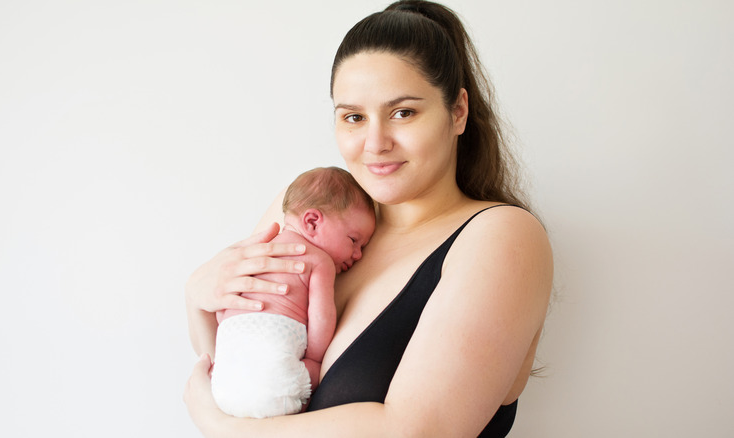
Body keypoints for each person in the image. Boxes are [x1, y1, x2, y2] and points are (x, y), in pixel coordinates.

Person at [184, 1, 553, 436]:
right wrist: (196, 296)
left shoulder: (501, 237)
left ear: (458, 111)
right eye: (354, 117)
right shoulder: (306, 210)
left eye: (403, 112)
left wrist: (219, 427)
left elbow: (417, 431)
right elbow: (238, 361)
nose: (375, 143)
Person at [210, 166, 375, 418]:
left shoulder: (260, 249)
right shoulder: (318, 261)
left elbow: (226, 300)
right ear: (311, 222)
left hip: (223, 382)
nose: (358, 254)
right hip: (277, 376)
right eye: (353, 240)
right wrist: (316, 360)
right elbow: (321, 317)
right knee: (312, 377)